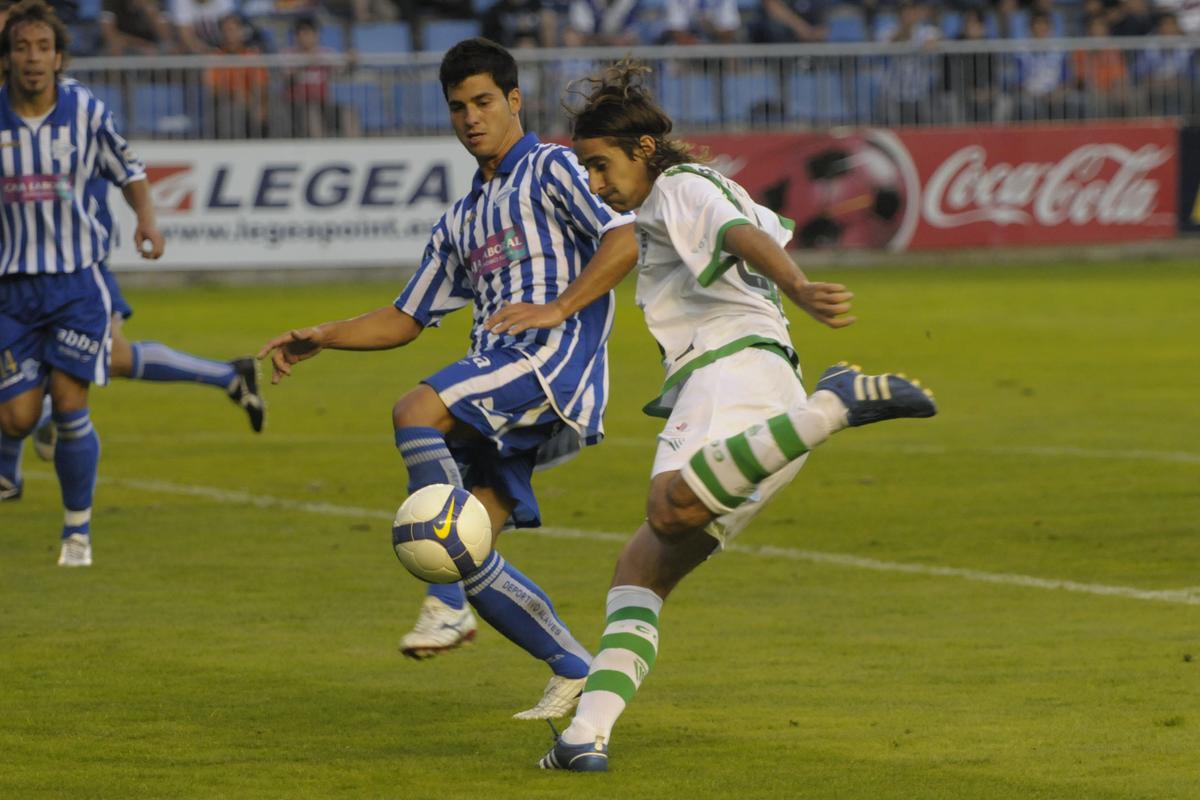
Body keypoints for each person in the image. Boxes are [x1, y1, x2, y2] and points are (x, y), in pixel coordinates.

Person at [482, 61, 937, 771]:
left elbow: (737, 237)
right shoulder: (681, 191)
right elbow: (703, 232)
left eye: (600, 167)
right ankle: (584, 737)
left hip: (733, 370)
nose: (596, 185)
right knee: (641, 571)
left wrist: (803, 287)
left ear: (639, 150)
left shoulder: (679, 186)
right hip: (763, 402)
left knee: (667, 509)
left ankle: (835, 405)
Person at [258, 37, 638, 719]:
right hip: (504, 385)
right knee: (466, 546)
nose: (471, 117)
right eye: (459, 106)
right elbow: (406, 316)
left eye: (484, 101)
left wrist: (558, 306)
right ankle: (574, 668)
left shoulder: (553, 168)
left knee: (415, 408)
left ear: (514, 101)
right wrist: (325, 337)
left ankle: (443, 607)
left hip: (548, 365)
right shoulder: (462, 218)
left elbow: (625, 235)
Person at [0, 0, 158, 566]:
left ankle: (77, 532)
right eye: (22, 47)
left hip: (76, 283)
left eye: (43, 47)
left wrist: (146, 219)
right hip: (11, 289)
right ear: (8, 58)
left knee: (71, 402)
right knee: (16, 417)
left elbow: (128, 169)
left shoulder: (85, 110)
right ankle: (27, 426)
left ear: (59, 56)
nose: (33, 58)